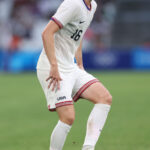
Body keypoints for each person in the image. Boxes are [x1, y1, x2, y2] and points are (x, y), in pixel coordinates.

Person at [36, 0, 112, 150]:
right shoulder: (73, 4)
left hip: (70, 66)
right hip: (52, 66)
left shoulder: (93, 6)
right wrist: (54, 66)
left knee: (104, 98)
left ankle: (88, 148)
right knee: (68, 117)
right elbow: (46, 33)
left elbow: (79, 33)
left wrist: (80, 64)